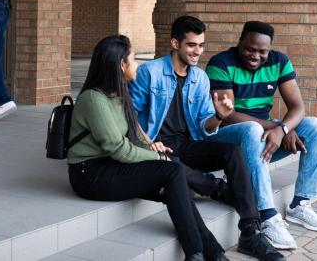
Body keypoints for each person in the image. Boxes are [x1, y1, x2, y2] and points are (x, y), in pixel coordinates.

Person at [129, 16, 284, 261]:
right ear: (175, 43)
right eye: (191, 45)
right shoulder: (150, 72)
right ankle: (216, 189)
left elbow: (203, 124)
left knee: (231, 151)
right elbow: (131, 117)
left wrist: (219, 117)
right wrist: (149, 143)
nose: (197, 51)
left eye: (201, 45)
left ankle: (251, 232)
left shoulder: (200, 78)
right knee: (173, 166)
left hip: (187, 143)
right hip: (156, 146)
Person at [68, 35, 230, 261]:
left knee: (174, 181)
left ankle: (206, 252)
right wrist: (157, 157)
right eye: (133, 60)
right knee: (171, 170)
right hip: (89, 174)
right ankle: (202, 251)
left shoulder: (119, 93)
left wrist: (155, 149)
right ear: (121, 65)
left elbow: (135, 133)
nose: (137, 65)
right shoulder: (94, 99)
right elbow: (120, 149)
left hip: (112, 166)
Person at [205, 21, 317, 250]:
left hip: (262, 136)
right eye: (250, 49)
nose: (255, 56)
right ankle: (267, 215)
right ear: (240, 43)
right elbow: (227, 115)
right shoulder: (220, 63)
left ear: (269, 49)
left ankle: (300, 204)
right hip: (225, 138)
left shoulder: (279, 62)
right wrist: (277, 127)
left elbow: (298, 107)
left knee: (315, 127)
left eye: (262, 51)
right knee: (252, 129)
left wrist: (283, 129)